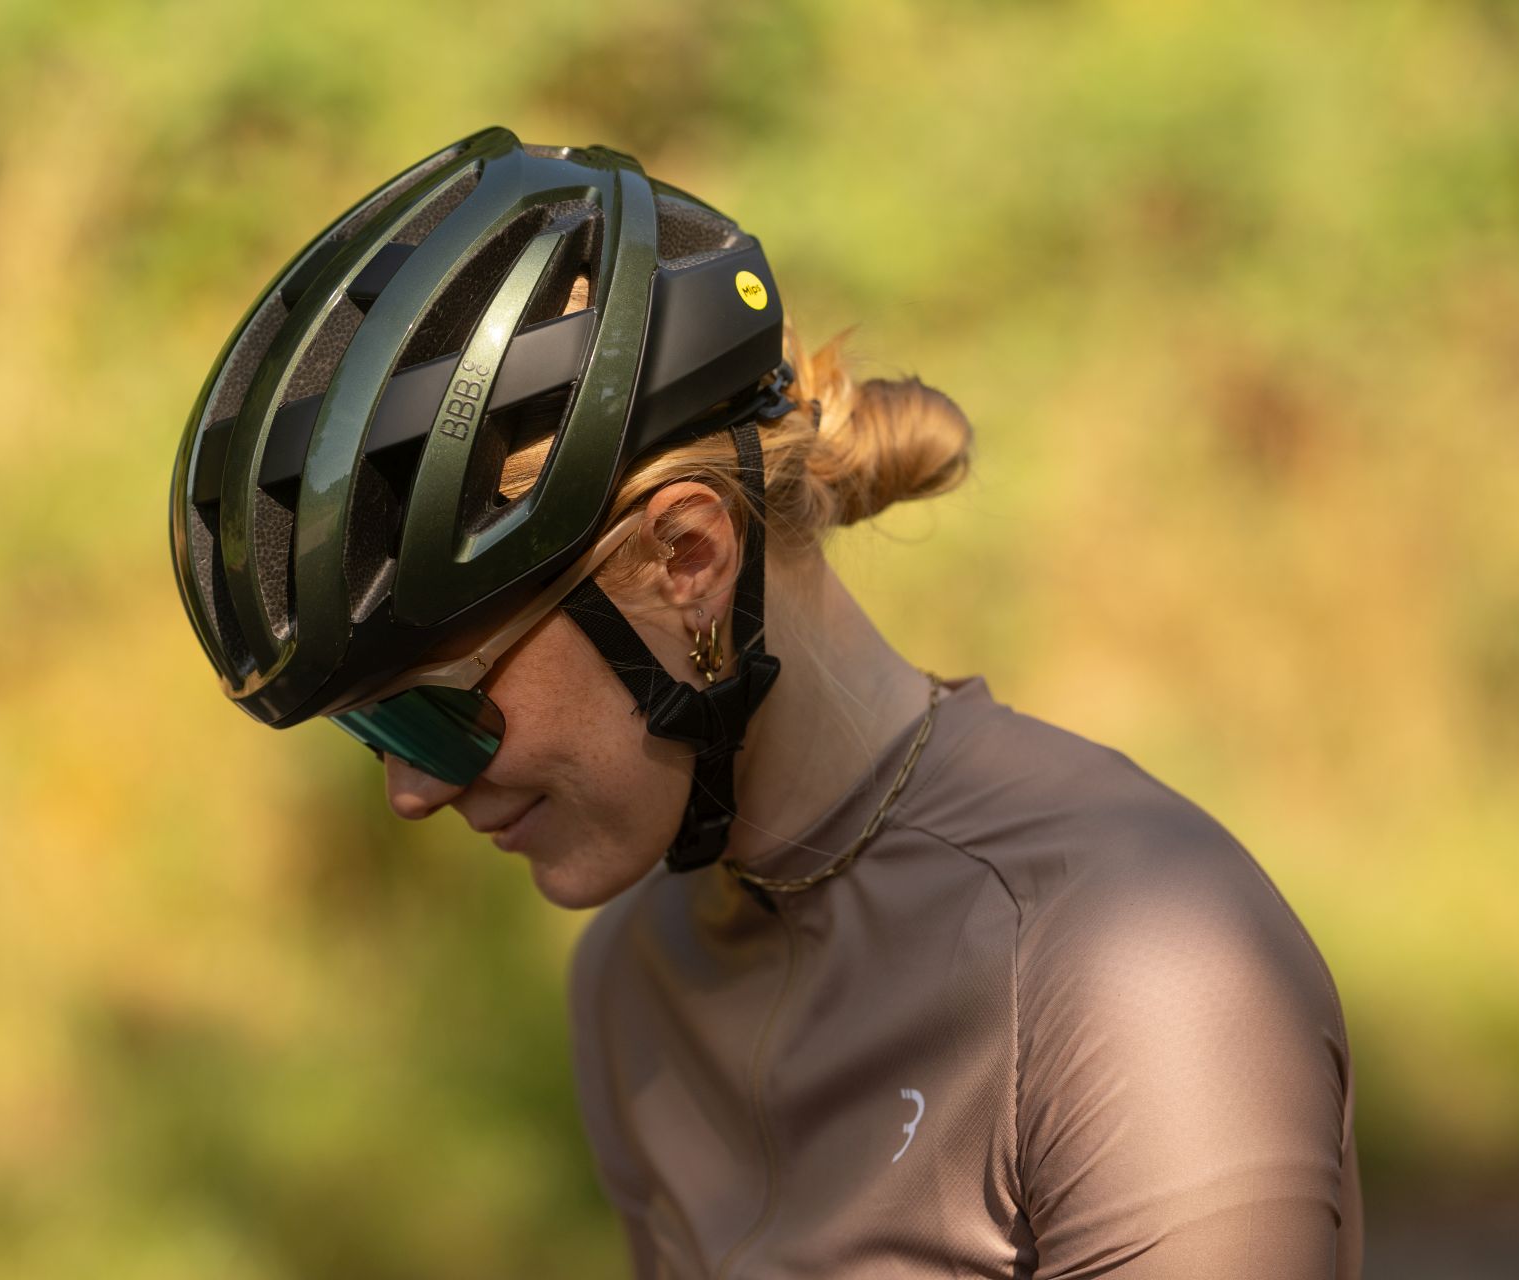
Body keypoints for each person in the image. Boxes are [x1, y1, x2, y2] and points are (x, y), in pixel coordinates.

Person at [168, 126, 1363, 1278]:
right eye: (369, 730)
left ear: (686, 556)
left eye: (431, 712)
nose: (411, 790)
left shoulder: (1139, 962)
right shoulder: (634, 982)